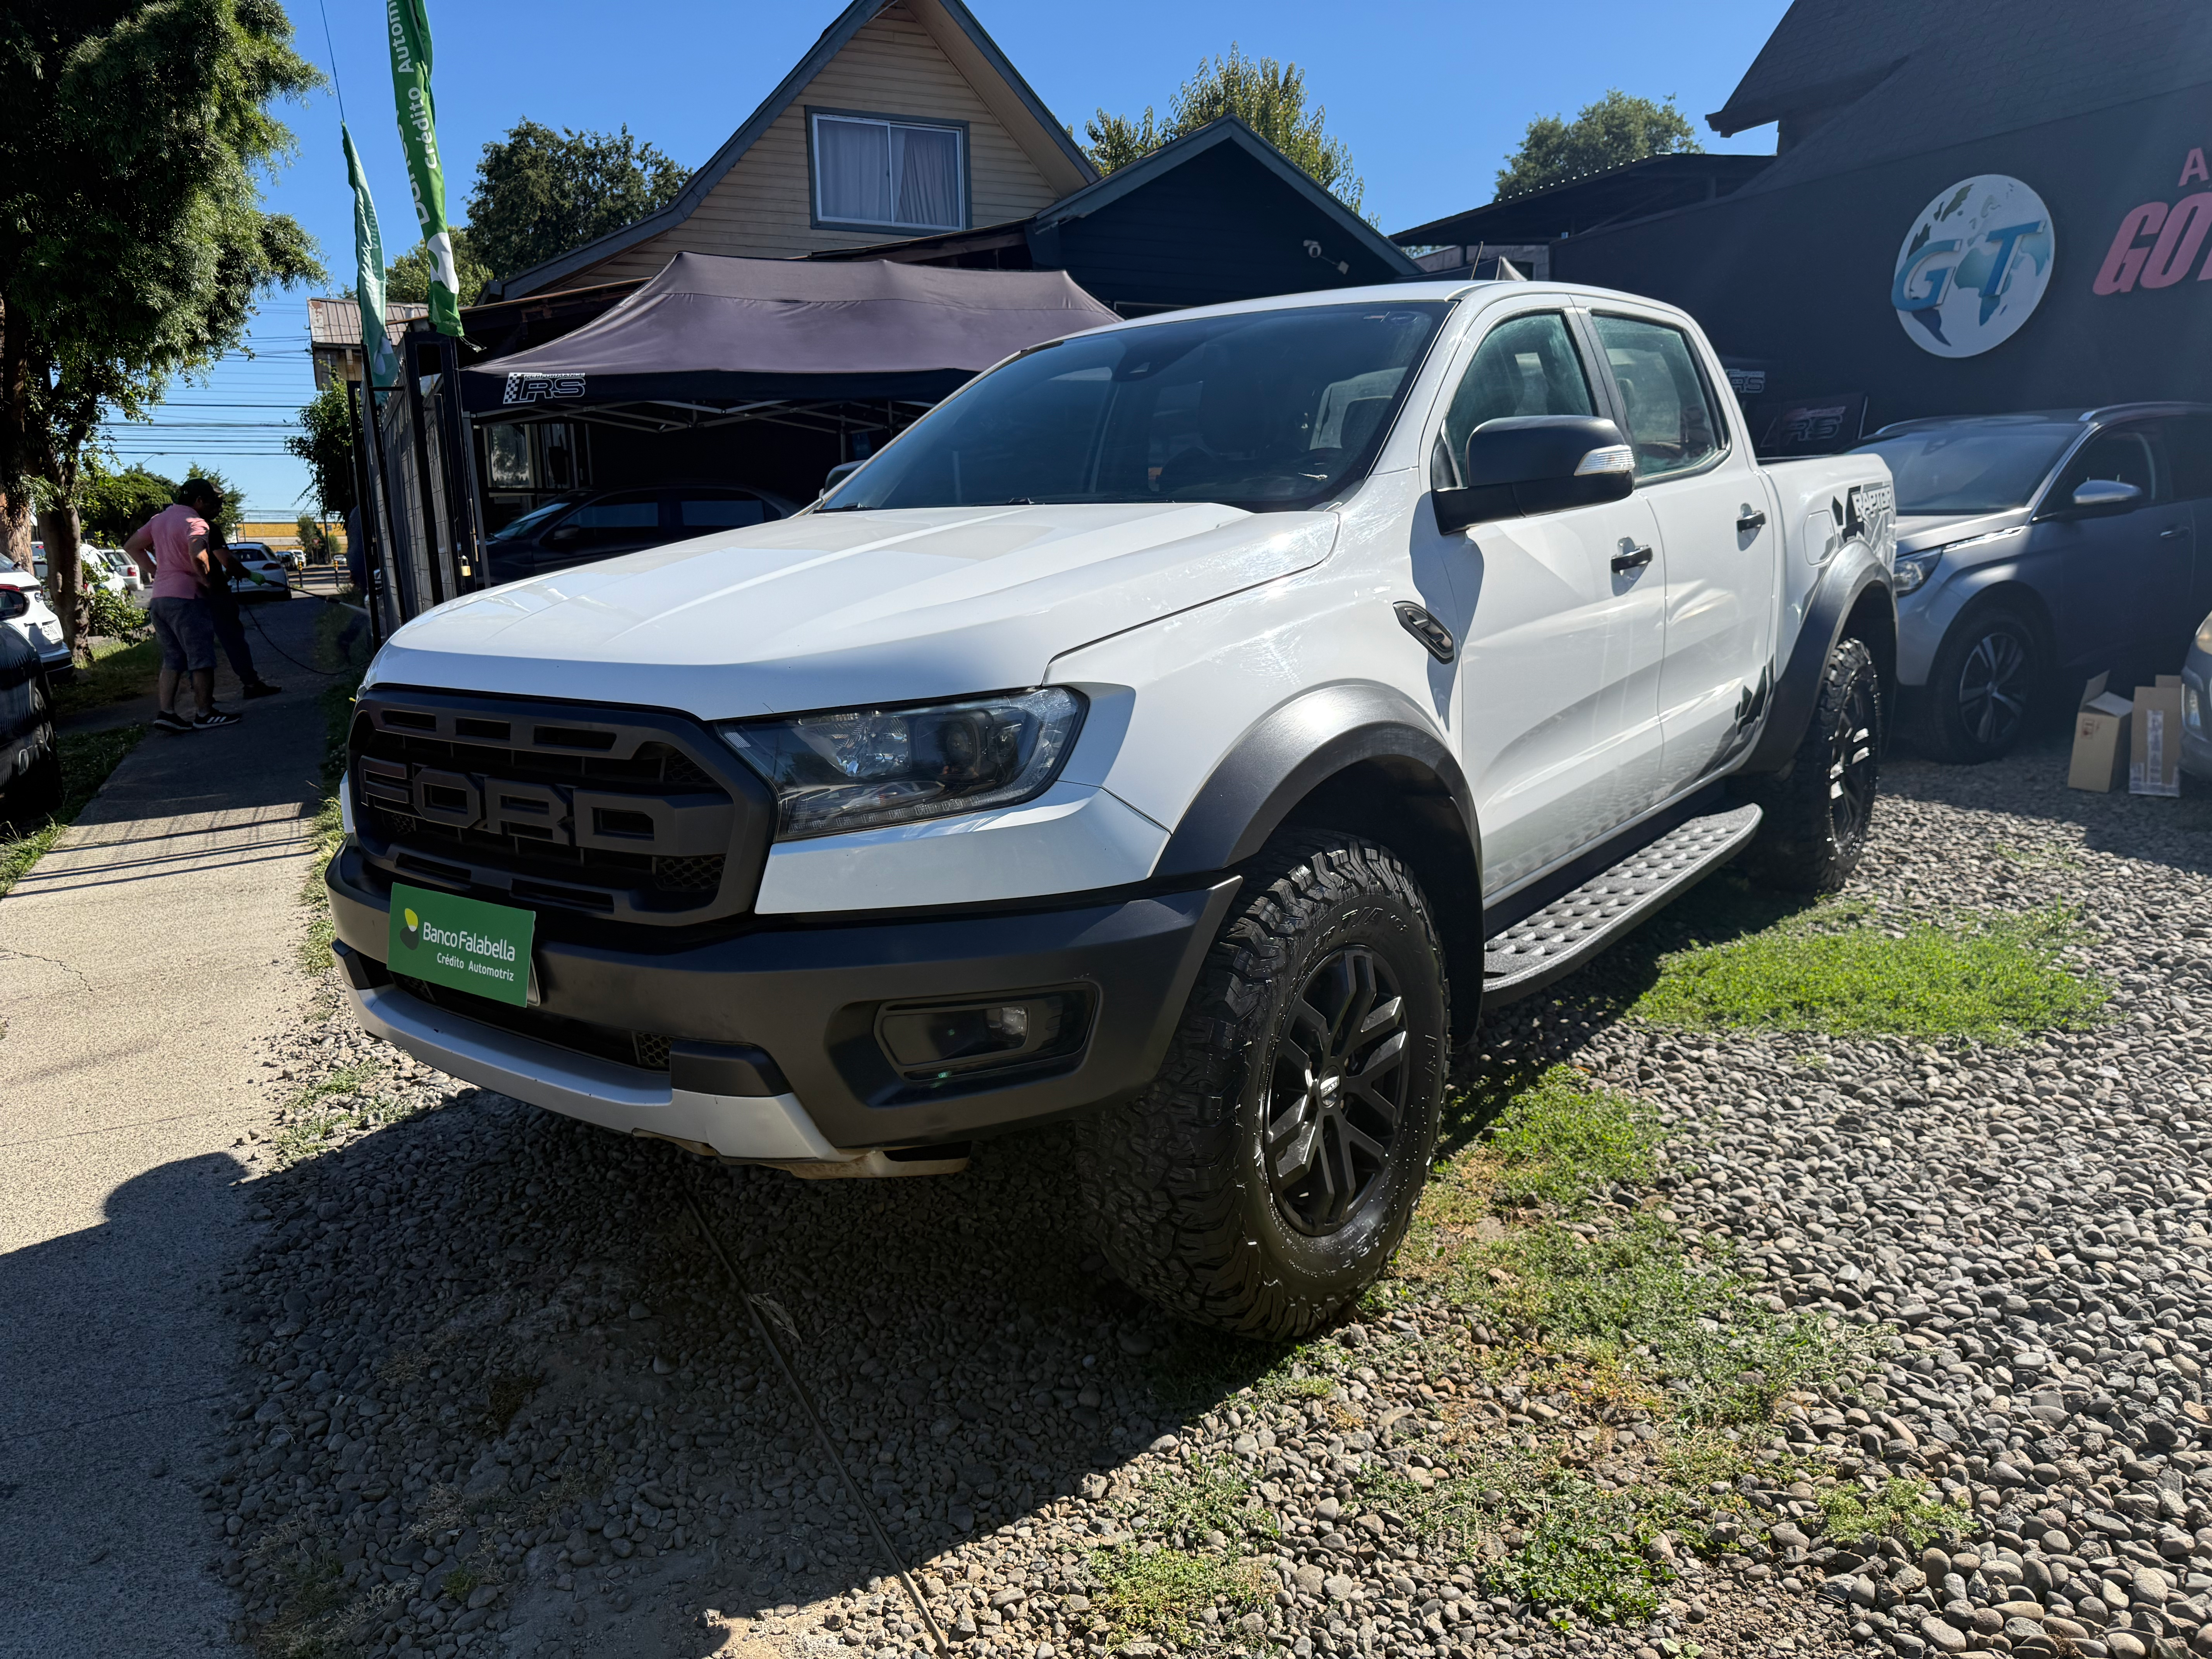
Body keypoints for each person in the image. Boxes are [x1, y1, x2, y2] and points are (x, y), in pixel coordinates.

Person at [123, 480, 240, 732]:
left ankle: (167, 713)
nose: (216, 508)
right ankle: (205, 713)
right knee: (202, 657)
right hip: (187, 599)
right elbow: (199, 554)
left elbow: (131, 546)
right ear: (199, 501)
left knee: (173, 658)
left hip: (160, 599)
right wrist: (205, 580)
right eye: (213, 502)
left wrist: (157, 571)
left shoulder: (159, 520)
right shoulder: (196, 523)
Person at [200, 517, 281, 698]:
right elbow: (227, 561)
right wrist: (250, 575)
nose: (220, 508)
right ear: (200, 501)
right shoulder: (207, 527)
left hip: (187, 594)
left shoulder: (169, 524)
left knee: (197, 645)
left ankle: (202, 698)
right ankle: (251, 684)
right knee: (233, 638)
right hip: (216, 594)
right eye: (215, 502)